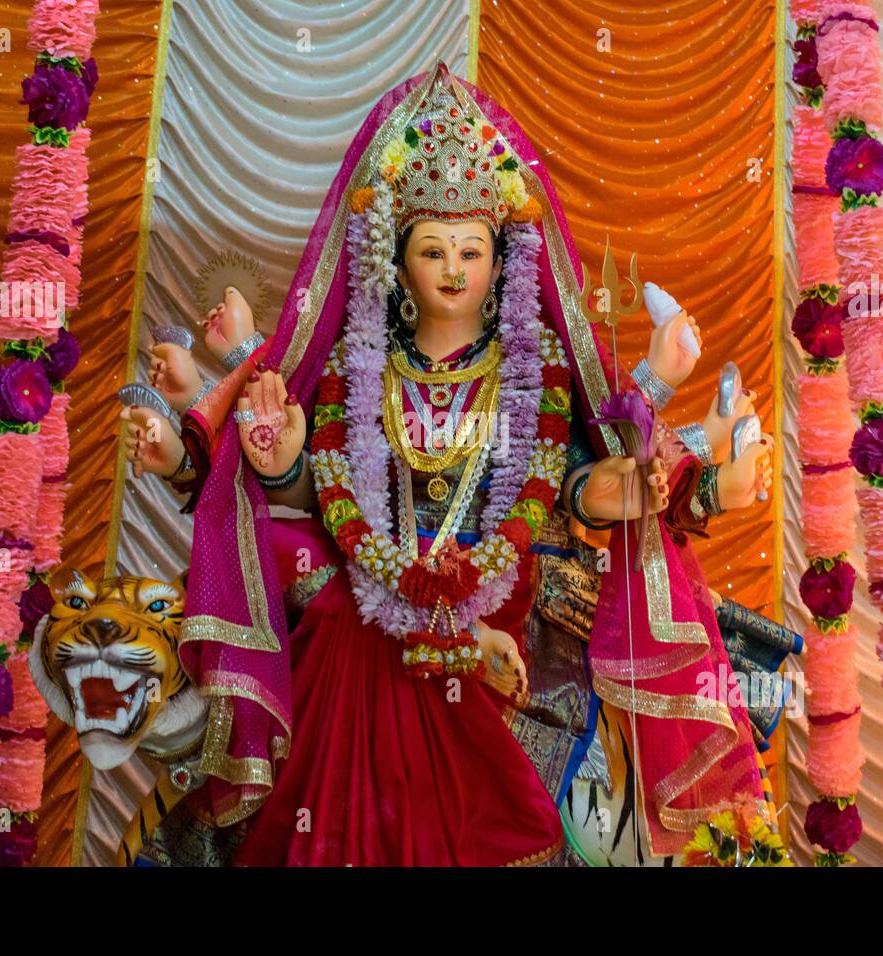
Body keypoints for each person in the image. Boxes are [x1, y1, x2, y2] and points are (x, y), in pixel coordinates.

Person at [120, 62, 773, 865]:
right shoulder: (355, 371)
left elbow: (575, 483)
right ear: (398, 268)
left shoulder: (532, 378)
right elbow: (321, 493)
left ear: (502, 263)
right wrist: (285, 459)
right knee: (330, 634)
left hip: (504, 598)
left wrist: (621, 488)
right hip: (368, 604)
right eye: (433, 251)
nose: (455, 270)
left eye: (472, 250)